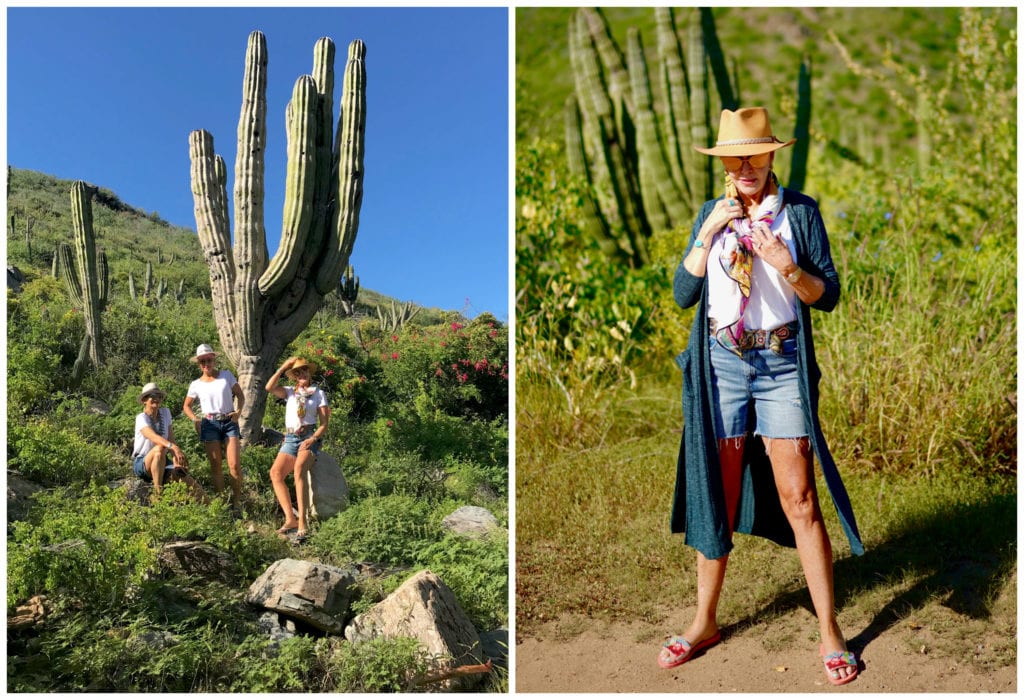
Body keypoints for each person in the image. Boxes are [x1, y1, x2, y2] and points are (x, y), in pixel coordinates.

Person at [661, 107, 863, 686]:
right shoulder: (711, 213)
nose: (745, 166)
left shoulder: (799, 212)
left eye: (755, 154)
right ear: (724, 162)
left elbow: (827, 296)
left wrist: (787, 265)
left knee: (799, 497)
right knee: (717, 494)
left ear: (772, 155)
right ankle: (704, 622)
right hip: (722, 364)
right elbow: (682, 295)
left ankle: (829, 631)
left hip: (780, 365)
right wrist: (705, 236)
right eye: (734, 157)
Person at [265, 356, 330, 542]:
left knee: (299, 470)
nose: (301, 374)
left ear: (309, 373)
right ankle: (290, 519)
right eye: (297, 372)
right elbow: (269, 387)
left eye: (304, 370)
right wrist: (283, 366)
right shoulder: (289, 392)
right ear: (293, 376)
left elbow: (324, 424)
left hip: (309, 436)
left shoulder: (318, 394)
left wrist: (314, 439)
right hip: (291, 437)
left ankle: (302, 521)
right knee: (276, 473)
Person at [182, 343, 245, 512]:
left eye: (208, 360)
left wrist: (238, 412)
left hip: (229, 421)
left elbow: (240, 395)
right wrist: (195, 420)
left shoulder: (226, 376)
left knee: (234, 465)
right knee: (216, 465)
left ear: (213, 359)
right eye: (202, 361)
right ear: (198, 363)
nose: (206, 364)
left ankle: (237, 502)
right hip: (209, 423)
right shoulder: (196, 384)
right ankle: (222, 502)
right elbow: (186, 406)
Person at [132, 382, 204, 499]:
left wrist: (176, 457)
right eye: (152, 396)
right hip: (143, 462)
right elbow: (153, 436)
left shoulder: (165, 413)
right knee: (159, 448)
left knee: (185, 477)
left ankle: (212, 508)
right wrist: (173, 447)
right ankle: (157, 493)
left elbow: (171, 438)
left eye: (159, 396)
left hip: (162, 461)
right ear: (144, 400)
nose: (156, 399)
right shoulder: (141, 418)